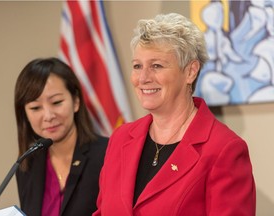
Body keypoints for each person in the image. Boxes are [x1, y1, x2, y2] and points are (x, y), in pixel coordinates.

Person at [93, 13, 256, 215]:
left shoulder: (224, 149)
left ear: (190, 71)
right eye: (137, 66)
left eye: (156, 66)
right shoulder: (120, 138)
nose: (142, 78)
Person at [14, 57, 108, 216]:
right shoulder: (26, 165)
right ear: (25, 115)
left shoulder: (107, 154)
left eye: (56, 102)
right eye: (36, 108)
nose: (48, 116)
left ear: (76, 101)